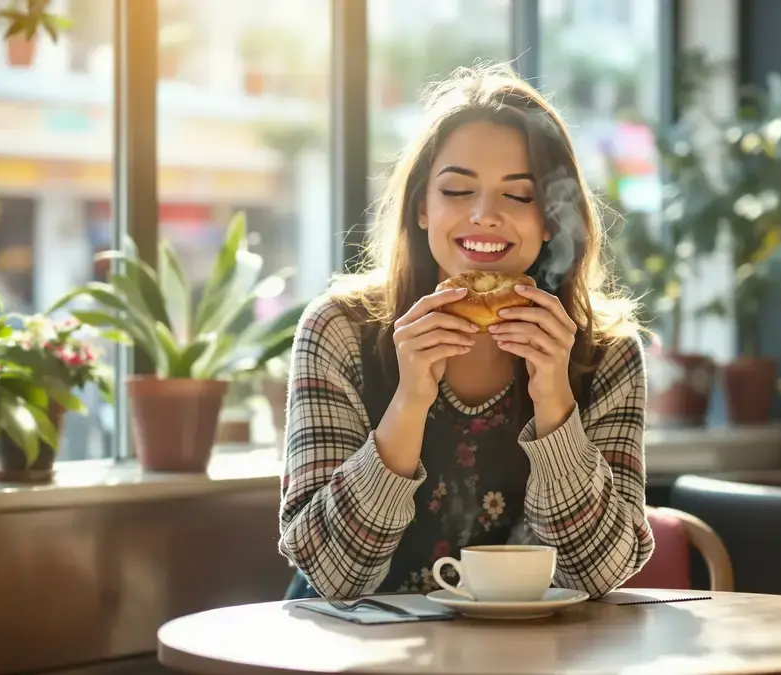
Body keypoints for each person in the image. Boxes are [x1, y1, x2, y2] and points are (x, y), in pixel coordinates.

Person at [278, 64, 654, 600]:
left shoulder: (603, 352)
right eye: (456, 190)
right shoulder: (339, 330)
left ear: (552, 219)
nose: (484, 215)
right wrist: (409, 401)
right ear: (422, 208)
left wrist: (554, 403)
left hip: (528, 642)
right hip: (355, 640)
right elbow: (334, 577)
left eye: (519, 196)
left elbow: (594, 576)